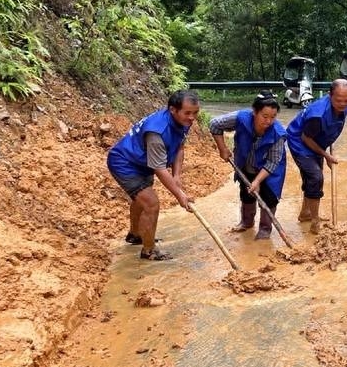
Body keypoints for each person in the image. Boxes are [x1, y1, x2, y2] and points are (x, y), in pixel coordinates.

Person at [107, 90, 199, 261]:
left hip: (143, 162)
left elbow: (179, 146)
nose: (192, 118)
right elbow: (159, 168)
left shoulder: (184, 121)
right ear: (173, 110)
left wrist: (177, 174)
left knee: (140, 200)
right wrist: (180, 195)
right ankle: (149, 251)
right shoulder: (157, 131)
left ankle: (135, 235)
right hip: (125, 162)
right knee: (151, 203)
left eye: (195, 113)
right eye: (187, 113)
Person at [209, 91, 287, 240]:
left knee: (269, 198)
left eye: (273, 117)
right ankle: (246, 222)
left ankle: (265, 229)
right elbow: (214, 125)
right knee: (246, 192)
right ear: (254, 112)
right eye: (264, 116)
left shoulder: (278, 133)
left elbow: (272, 162)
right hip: (246, 162)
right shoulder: (241, 118)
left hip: (269, 170)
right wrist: (222, 148)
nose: (268, 121)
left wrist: (257, 181)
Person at [286, 79, 347, 233]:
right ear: (330, 96)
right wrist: (326, 156)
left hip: (317, 140)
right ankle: (315, 220)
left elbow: (334, 123)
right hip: (301, 141)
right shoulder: (317, 115)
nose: (343, 103)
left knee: (312, 178)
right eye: (338, 100)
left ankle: (306, 213)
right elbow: (305, 138)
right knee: (316, 177)